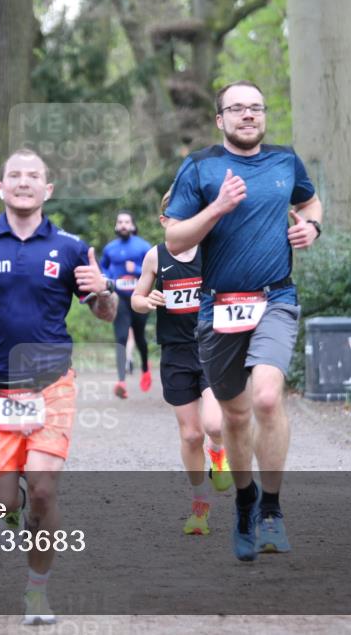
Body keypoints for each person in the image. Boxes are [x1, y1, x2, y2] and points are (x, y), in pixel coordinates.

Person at [0, 148, 116, 624]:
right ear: (1, 187)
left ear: (47, 190)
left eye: (34, 176)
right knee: (4, 502)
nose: (24, 182)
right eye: (15, 175)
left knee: (44, 489)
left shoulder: (72, 247)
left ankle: (37, 591)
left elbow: (104, 311)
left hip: (51, 385)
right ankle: (14, 511)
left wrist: (104, 291)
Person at [163, 80, 323, 562]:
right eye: (237, 109)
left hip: (275, 297)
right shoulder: (201, 167)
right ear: (220, 120)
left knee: (268, 398)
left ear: (264, 116)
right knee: (234, 416)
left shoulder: (284, 161)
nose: (248, 115)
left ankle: (271, 510)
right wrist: (217, 207)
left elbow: (310, 201)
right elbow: (174, 240)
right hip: (218, 306)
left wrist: (311, 226)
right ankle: (246, 500)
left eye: (256, 108)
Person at [131, 189, 233, 536]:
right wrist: (148, 301)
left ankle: (218, 453)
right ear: (165, 222)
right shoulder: (155, 257)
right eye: (180, 217)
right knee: (191, 435)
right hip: (175, 352)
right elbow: (136, 299)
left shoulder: (213, 251)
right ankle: (200, 507)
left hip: (213, 346)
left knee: (215, 426)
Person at [99, 211, 153, 398]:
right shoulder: (110, 248)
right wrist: (107, 278)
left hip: (139, 296)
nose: (123, 225)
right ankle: (121, 381)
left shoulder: (143, 246)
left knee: (139, 338)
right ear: (116, 226)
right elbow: (102, 267)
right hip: (119, 297)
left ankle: (146, 368)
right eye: (120, 222)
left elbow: (154, 269)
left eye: (126, 222)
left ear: (132, 225)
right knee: (121, 337)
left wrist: (136, 269)